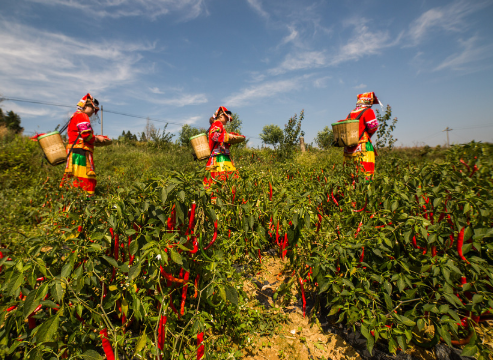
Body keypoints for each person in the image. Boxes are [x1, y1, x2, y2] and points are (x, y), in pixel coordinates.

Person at [60, 93, 107, 196]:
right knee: (85, 179)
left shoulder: (76, 116)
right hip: (80, 153)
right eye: (93, 109)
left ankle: (69, 203)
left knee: (73, 178)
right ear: (86, 106)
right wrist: (97, 138)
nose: (94, 112)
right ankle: (84, 204)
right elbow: (86, 135)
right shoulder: (82, 115)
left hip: (76, 151)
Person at [340, 92, 380, 178]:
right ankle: (364, 190)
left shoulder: (351, 113)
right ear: (369, 102)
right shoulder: (368, 111)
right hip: (362, 145)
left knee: (349, 173)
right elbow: (373, 127)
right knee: (364, 172)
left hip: (349, 147)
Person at [204, 106, 239, 185]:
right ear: (221, 116)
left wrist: (231, 137)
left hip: (223, 155)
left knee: (223, 177)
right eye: (226, 118)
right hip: (219, 157)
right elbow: (214, 136)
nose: (227, 120)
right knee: (222, 177)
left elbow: (222, 139)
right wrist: (227, 136)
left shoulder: (219, 125)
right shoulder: (217, 124)